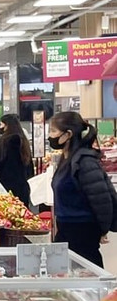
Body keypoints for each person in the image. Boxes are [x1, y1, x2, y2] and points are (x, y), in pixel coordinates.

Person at [50, 111, 117, 268]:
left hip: (82, 231)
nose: (50, 136)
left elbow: (102, 199)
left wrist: (102, 229)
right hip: (66, 229)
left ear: (68, 134)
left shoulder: (85, 162)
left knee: (87, 277)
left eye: (53, 131)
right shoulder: (65, 160)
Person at [0, 114, 32, 207]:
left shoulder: (2, 141)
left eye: (1, 124)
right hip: (22, 185)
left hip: (5, 185)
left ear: (6, 125)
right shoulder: (23, 140)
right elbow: (29, 164)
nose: (0, 127)